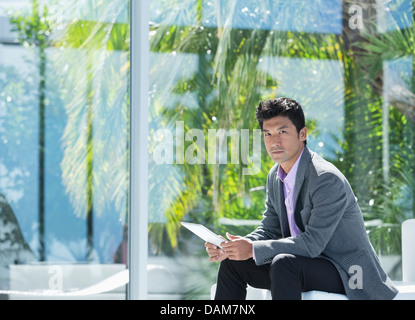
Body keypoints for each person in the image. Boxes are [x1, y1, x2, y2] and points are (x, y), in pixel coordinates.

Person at [205, 97, 398, 300]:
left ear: (302, 133)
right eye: (268, 134)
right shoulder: (275, 175)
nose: (274, 141)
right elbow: (270, 229)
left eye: (282, 132)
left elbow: (313, 244)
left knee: (284, 263)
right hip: (302, 266)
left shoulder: (325, 178)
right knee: (233, 264)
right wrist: (235, 248)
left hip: (348, 273)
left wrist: (252, 249)